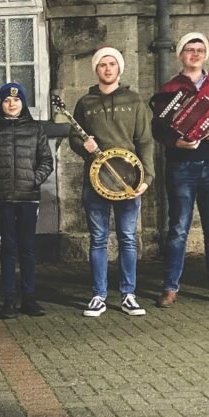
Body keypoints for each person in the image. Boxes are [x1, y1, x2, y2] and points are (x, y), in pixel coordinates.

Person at [153, 32, 209, 308]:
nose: (195, 53)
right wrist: (177, 141)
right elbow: (158, 130)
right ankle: (170, 288)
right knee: (178, 228)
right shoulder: (169, 89)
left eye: (200, 49)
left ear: (206, 53)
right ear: (180, 55)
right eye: (189, 49)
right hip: (181, 166)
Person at [69, 48, 155, 317]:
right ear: (96, 70)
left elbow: (144, 140)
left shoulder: (134, 100)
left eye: (112, 64)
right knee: (98, 239)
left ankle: (129, 294)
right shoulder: (85, 103)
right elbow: (73, 138)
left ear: (119, 68)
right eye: (102, 65)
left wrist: (147, 177)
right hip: (96, 181)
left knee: (128, 238)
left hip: (129, 180)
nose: (107, 69)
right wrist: (85, 145)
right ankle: (99, 295)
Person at [0, 82, 54, 318]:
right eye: (6, 100)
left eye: (16, 100)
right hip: (2, 199)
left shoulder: (35, 129)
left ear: (23, 103)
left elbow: (46, 160)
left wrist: (34, 179)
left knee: (28, 249)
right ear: (1, 104)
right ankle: (9, 299)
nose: (11, 104)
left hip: (27, 198)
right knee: (8, 249)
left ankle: (30, 299)